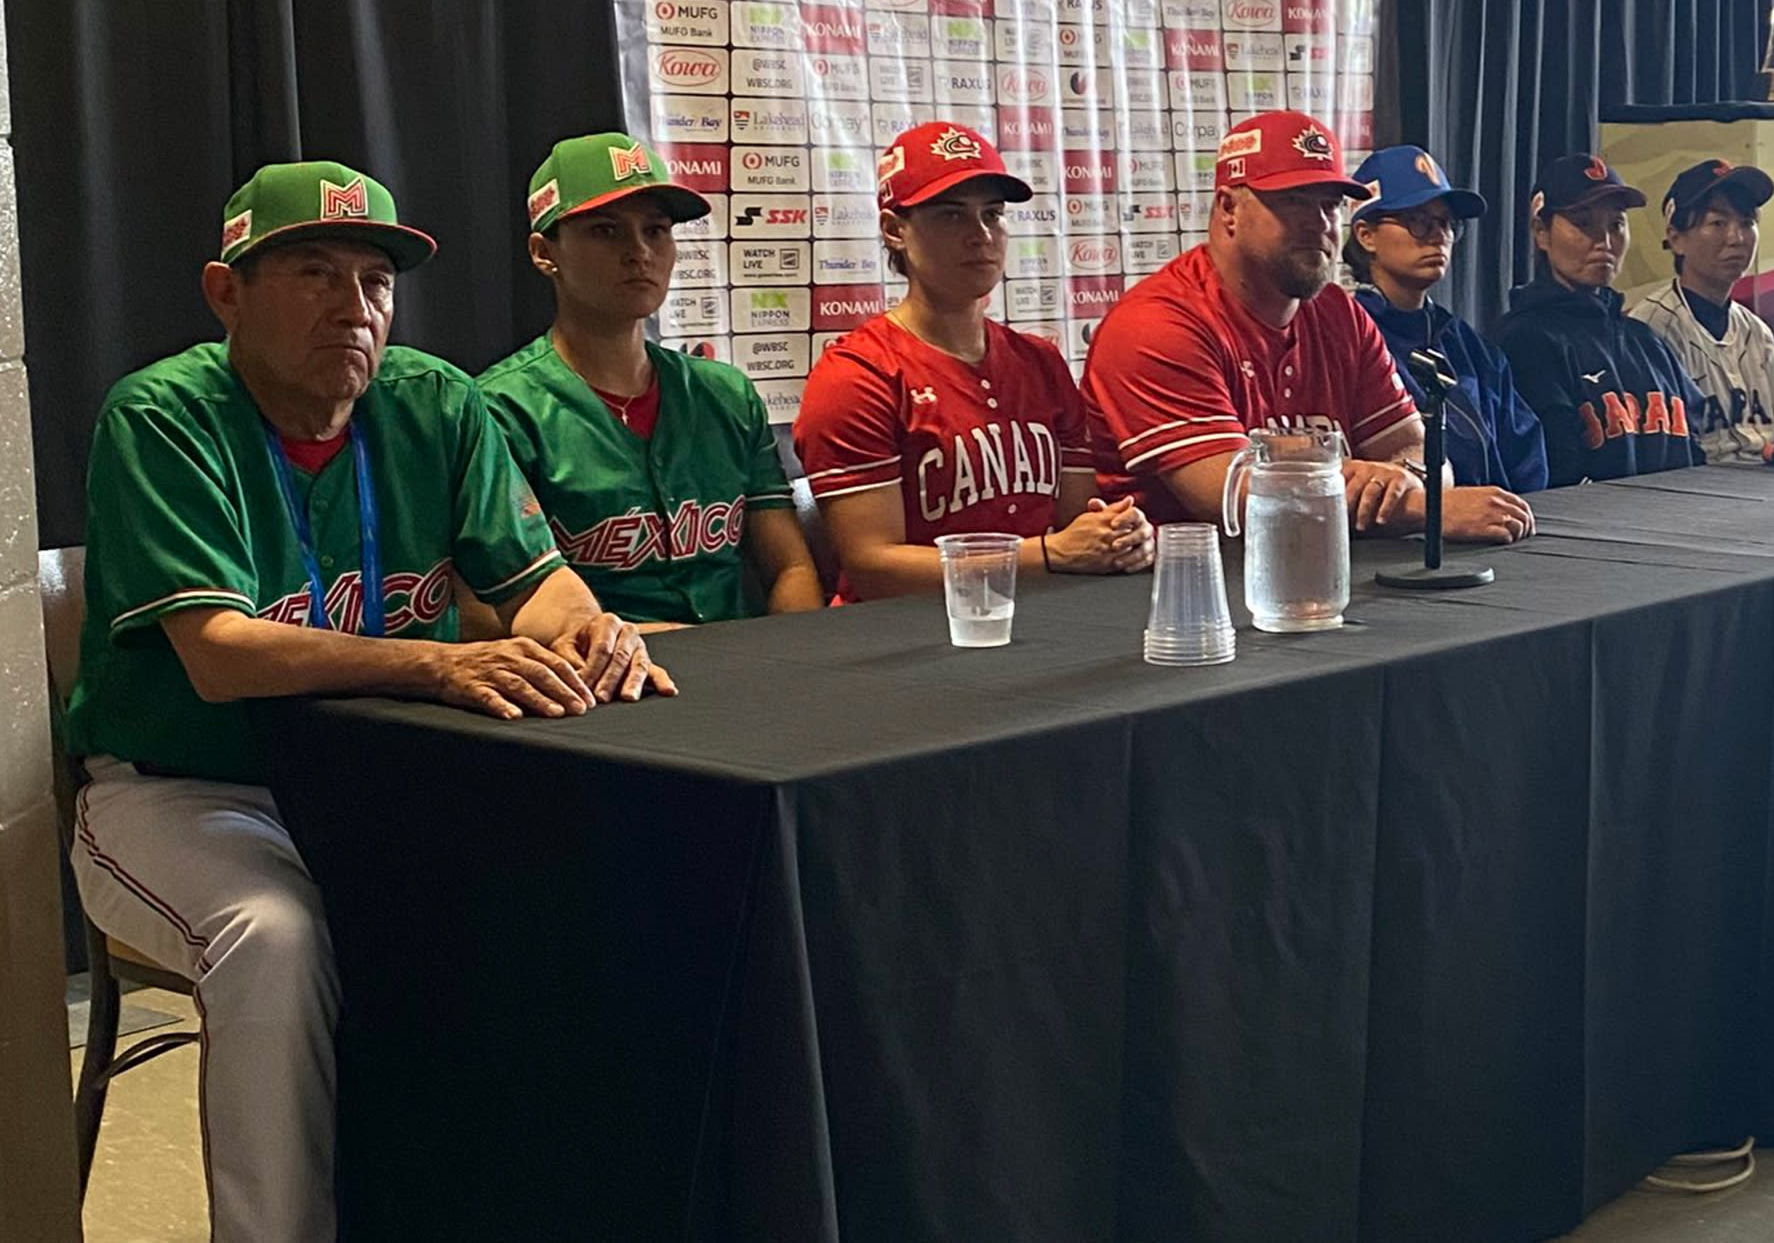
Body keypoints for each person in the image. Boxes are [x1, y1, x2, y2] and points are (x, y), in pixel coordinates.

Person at [63, 161, 673, 1241]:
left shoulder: (435, 402)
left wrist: (594, 627)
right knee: (277, 935)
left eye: (375, 278)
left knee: (567, 886)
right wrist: (435, 665)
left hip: (385, 778)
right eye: (313, 271)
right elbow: (219, 654)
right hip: (185, 789)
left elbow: (536, 587)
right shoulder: (163, 415)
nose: (355, 305)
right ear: (226, 292)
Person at [1082, 110, 1535, 542]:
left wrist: (1402, 479)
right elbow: (1231, 496)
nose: (1319, 223)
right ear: (1228, 209)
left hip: (1320, 572)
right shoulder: (1158, 322)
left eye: (1330, 205)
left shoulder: (1340, 314)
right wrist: (1425, 509)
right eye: (1294, 202)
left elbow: (1421, 455)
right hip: (1176, 593)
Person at [795, 120, 1154, 599]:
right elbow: (872, 567)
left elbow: (1079, 523)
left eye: (993, 214)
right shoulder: (859, 374)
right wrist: (1049, 555)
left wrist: (1120, 537)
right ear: (894, 229)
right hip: (899, 642)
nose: (980, 234)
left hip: (1038, 620)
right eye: (951, 215)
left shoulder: (1040, 363)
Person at [478, 132, 822, 625]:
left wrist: (799, 663)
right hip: (601, 686)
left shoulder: (725, 393)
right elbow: (492, 610)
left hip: (753, 674)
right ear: (543, 252)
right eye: (606, 231)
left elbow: (790, 566)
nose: (639, 251)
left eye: (656, 230)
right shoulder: (500, 409)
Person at [1345, 145, 1548, 491]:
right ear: (1366, 235)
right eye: (1418, 222)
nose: (1439, 236)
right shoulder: (1346, 338)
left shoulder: (1468, 345)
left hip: (1497, 531)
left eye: (1446, 223)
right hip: (1402, 536)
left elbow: (1526, 456)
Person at [1497, 152, 1704, 481]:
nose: (1604, 241)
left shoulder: (1647, 341)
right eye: (1583, 223)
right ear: (1541, 232)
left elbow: (1694, 452)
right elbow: (1551, 475)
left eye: (1616, 224)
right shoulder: (1523, 341)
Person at [1623, 157, 1774, 461]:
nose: (1736, 238)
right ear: (1676, 239)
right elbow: (1659, 453)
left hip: (1765, 486)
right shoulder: (1650, 327)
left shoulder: (1755, 331)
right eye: (1717, 223)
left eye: (1747, 223)